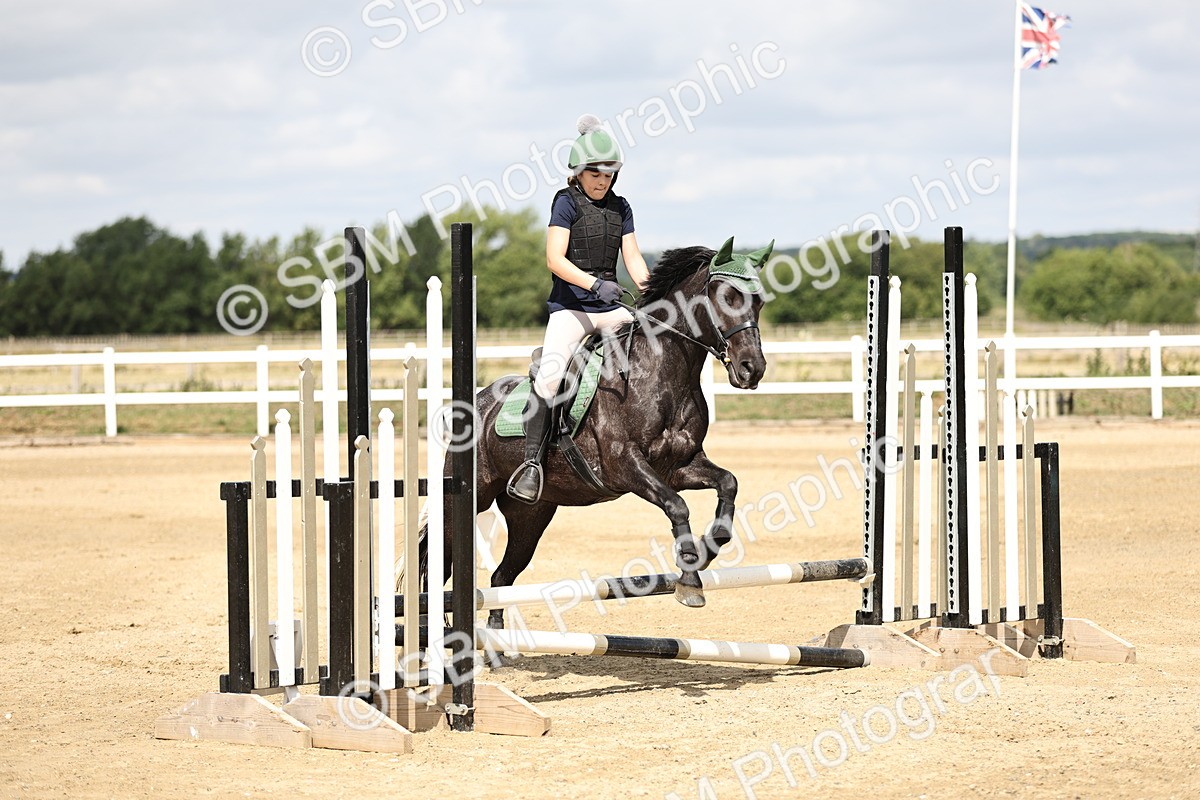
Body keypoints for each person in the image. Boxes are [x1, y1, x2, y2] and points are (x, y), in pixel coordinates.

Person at [506, 114, 651, 504]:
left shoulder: (622, 208)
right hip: (572, 310)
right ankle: (532, 466)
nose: (603, 182)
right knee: (549, 379)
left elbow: (633, 257)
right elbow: (555, 259)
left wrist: (651, 290)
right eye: (596, 175)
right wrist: (593, 283)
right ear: (580, 173)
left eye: (609, 175)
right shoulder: (565, 203)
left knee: (651, 351)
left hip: (612, 308)